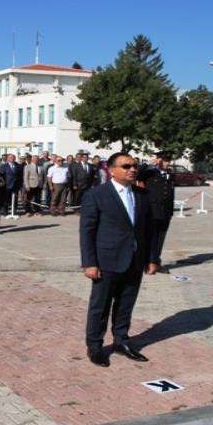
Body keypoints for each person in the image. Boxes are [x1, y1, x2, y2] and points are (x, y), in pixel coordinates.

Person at [80, 152, 160, 367]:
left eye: (134, 166)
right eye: (126, 166)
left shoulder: (142, 195)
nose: (132, 169)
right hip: (106, 260)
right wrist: (89, 263)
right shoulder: (96, 195)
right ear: (111, 169)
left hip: (134, 260)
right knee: (101, 306)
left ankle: (121, 341)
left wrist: (152, 258)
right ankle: (95, 346)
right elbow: (87, 231)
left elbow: (149, 230)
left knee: (126, 304)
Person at [137, 152, 175, 274]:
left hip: (166, 211)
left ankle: (156, 261)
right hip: (153, 210)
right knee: (151, 237)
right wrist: (148, 164)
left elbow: (170, 194)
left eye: (168, 161)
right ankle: (148, 262)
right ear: (159, 161)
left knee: (160, 238)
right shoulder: (150, 172)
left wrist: (171, 211)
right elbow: (137, 175)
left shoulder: (170, 174)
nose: (167, 163)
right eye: (164, 160)